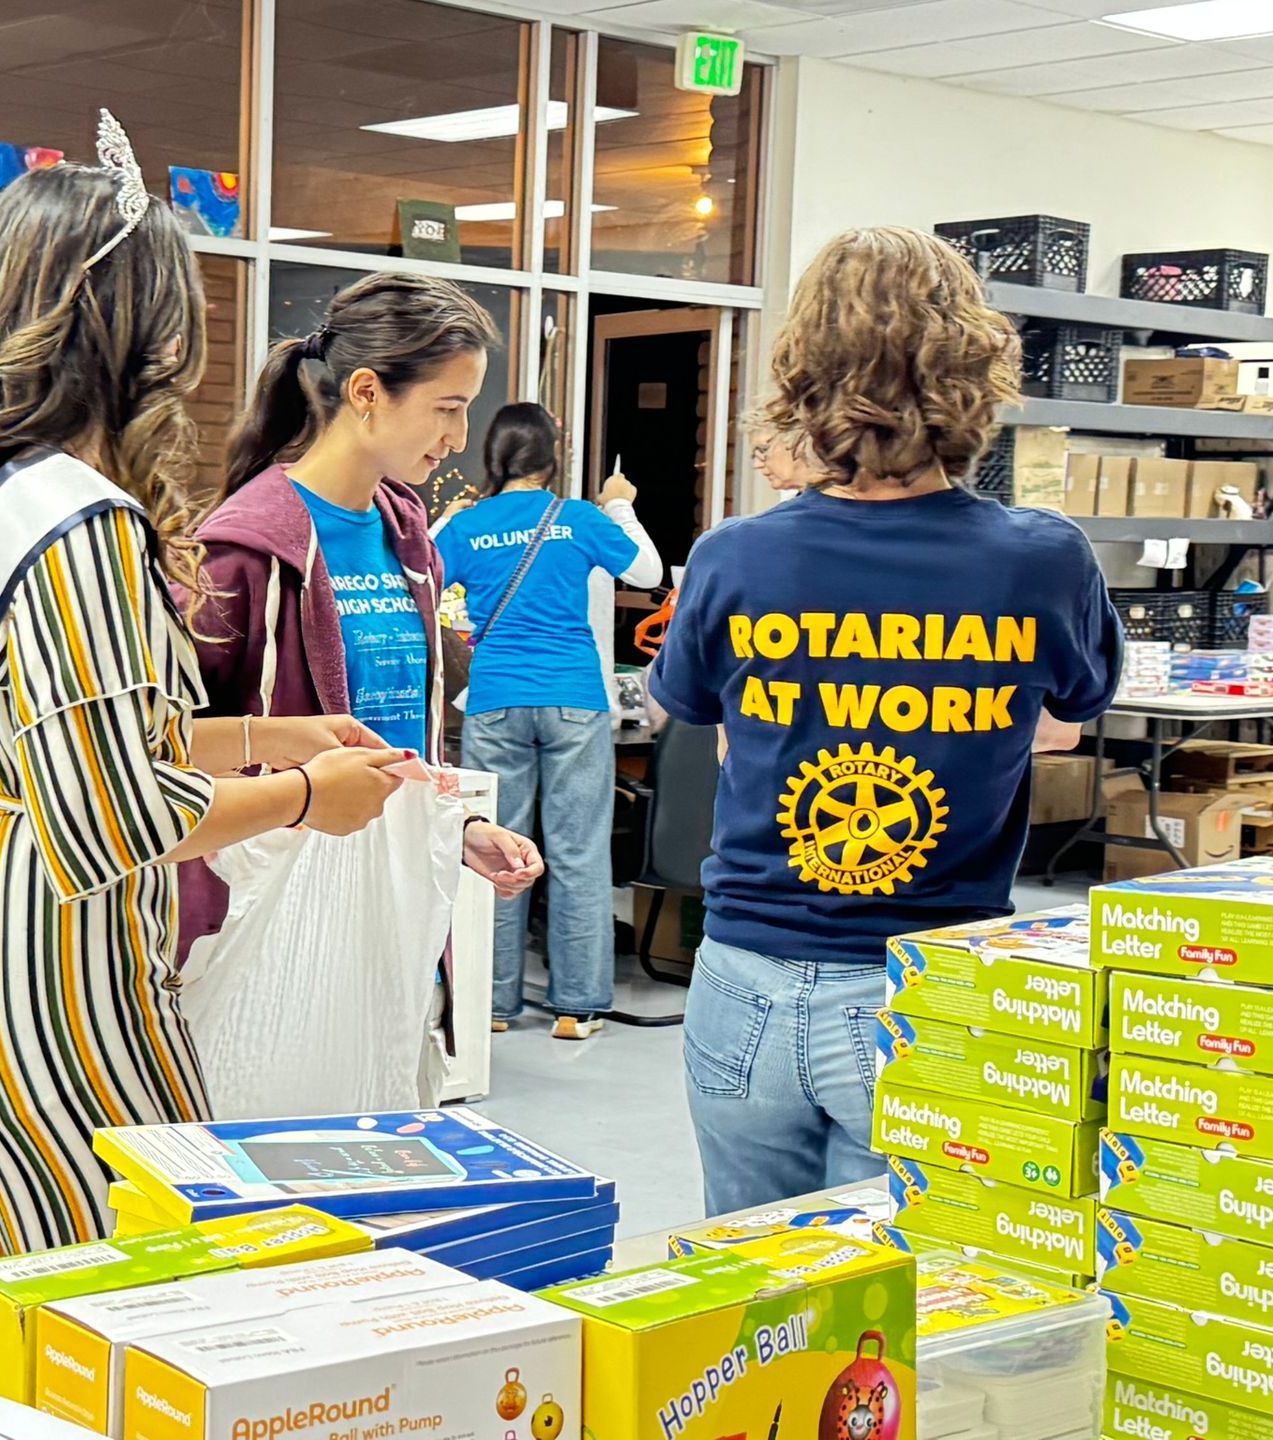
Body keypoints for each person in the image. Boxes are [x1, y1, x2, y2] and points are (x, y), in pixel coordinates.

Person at [0, 117, 409, 1387]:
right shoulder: (84, 525)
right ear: (135, 323)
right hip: (47, 978)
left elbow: (44, 742)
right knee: (115, 1325)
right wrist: (309, 795)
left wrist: (262, 732)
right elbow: (107, 818)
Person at [652, 227, 1122, 1214]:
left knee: (751, 1305)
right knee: (904, 1307)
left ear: (803, 379)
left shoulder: (735, 558)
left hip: (746, 976)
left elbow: (694, 709)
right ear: (975, 368)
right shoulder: (1043, 561)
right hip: (927, 985)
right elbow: (1072, 715)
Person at [181, 273, 545, 972]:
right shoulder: (241, 552)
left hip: (390, 899)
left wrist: (454, 826)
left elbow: (400, 736)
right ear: (368, 392)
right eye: (447, 407)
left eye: (466, 409)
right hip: (272, 916)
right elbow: (164, 747)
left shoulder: (408, 536)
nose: (460, 436)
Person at [437, 404, 663, 1040]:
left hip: (494, 700)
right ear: (550, 455)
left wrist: (448, 520)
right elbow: (647, 573)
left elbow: (414, 577)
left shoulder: (470, 524)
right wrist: (620, 504)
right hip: (573, 698)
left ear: (494, 455)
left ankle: (495, 1006)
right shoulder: (577, 517)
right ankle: (577, 1007)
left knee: (496, 852)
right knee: (578, 850)